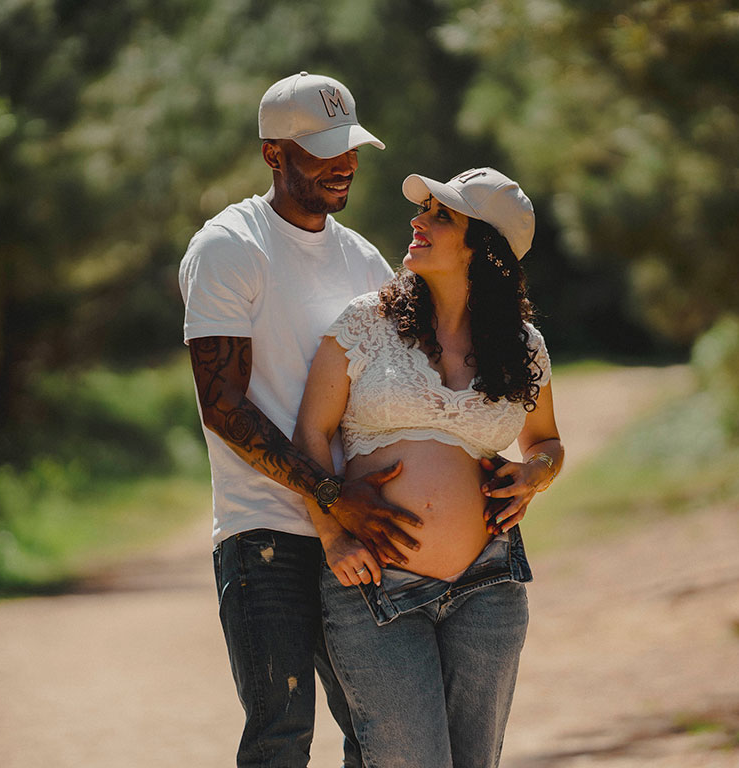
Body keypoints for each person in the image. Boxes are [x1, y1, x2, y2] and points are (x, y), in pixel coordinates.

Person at [178, 71, 423, 768]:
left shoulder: (363, 259)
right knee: (281, 739)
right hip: (265, 537)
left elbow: (396, 389)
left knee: (381, 736)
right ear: (273, 155)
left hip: (357, 528)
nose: (343, 164)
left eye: (348, 146)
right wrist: (326, 493)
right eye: (321, 149)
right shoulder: (230, 247)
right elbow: (222, 406)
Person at [293, 167, 564, 767]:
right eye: (425, 210)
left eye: (443, 215)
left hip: (489, 586)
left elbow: (545, 442)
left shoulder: (524, 347)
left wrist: (535, 475)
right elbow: (309, 432)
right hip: (376, 588)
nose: (418, 221)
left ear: (485, 249)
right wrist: (333, 534)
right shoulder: (368, 323)